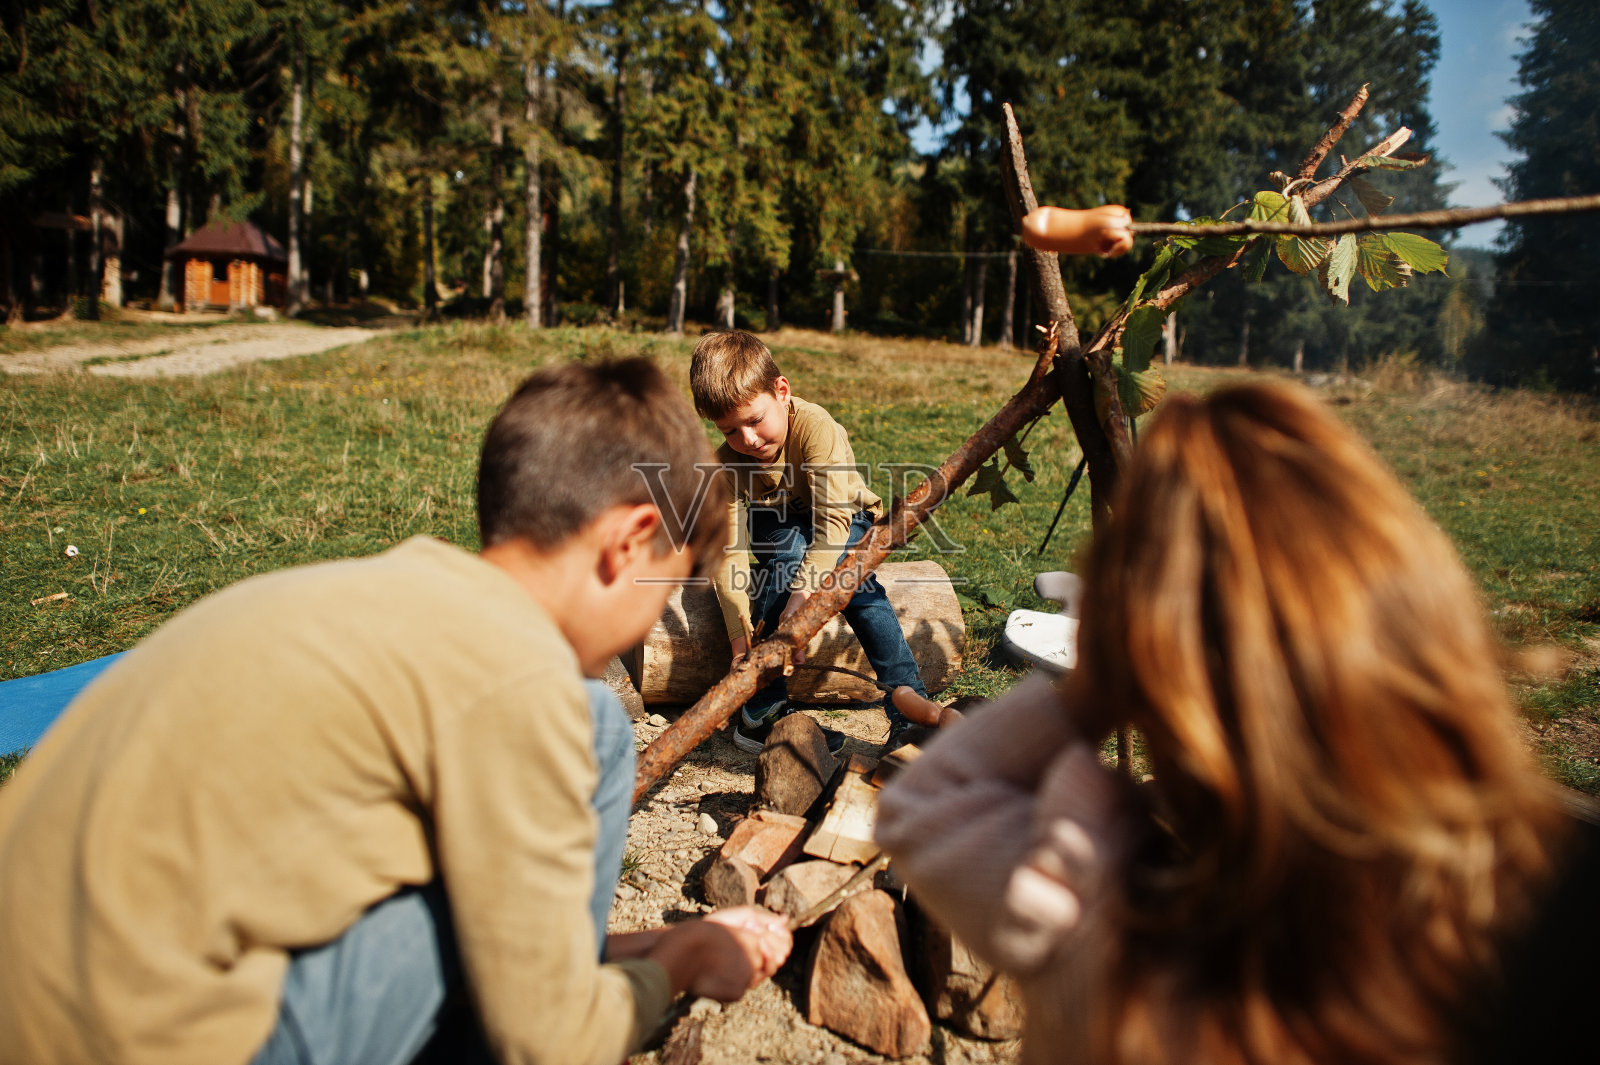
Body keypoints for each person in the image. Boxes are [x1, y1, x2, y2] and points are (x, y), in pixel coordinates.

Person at [0, 358, 792, 1065]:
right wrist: (681, 961)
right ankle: (572, 976)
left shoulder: (348, 595)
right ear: (630, 542)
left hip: (42, 1002)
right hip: (143, 1038)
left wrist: (639, 945)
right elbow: (548, 1044)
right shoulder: (526, 683)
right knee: (600, 727)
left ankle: (572, 966)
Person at [877, 381, 1569, 1065]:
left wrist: (1097, 677)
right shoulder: (1500, 909)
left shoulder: (1110, 930)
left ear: (1158, 688)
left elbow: (924, 805)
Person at [688, 329, 932, 753]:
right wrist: (739, 639)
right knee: (786, 559)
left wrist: (801, 600)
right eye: (729, 431)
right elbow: (726, 553)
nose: (747, 440)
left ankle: (910, 712)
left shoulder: (815, 428)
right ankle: (761, 710)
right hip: (778, 523)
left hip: (842, 516)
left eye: (754, 420)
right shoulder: (726, 465)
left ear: (781, 391)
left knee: (861, 591)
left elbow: (833, 521)